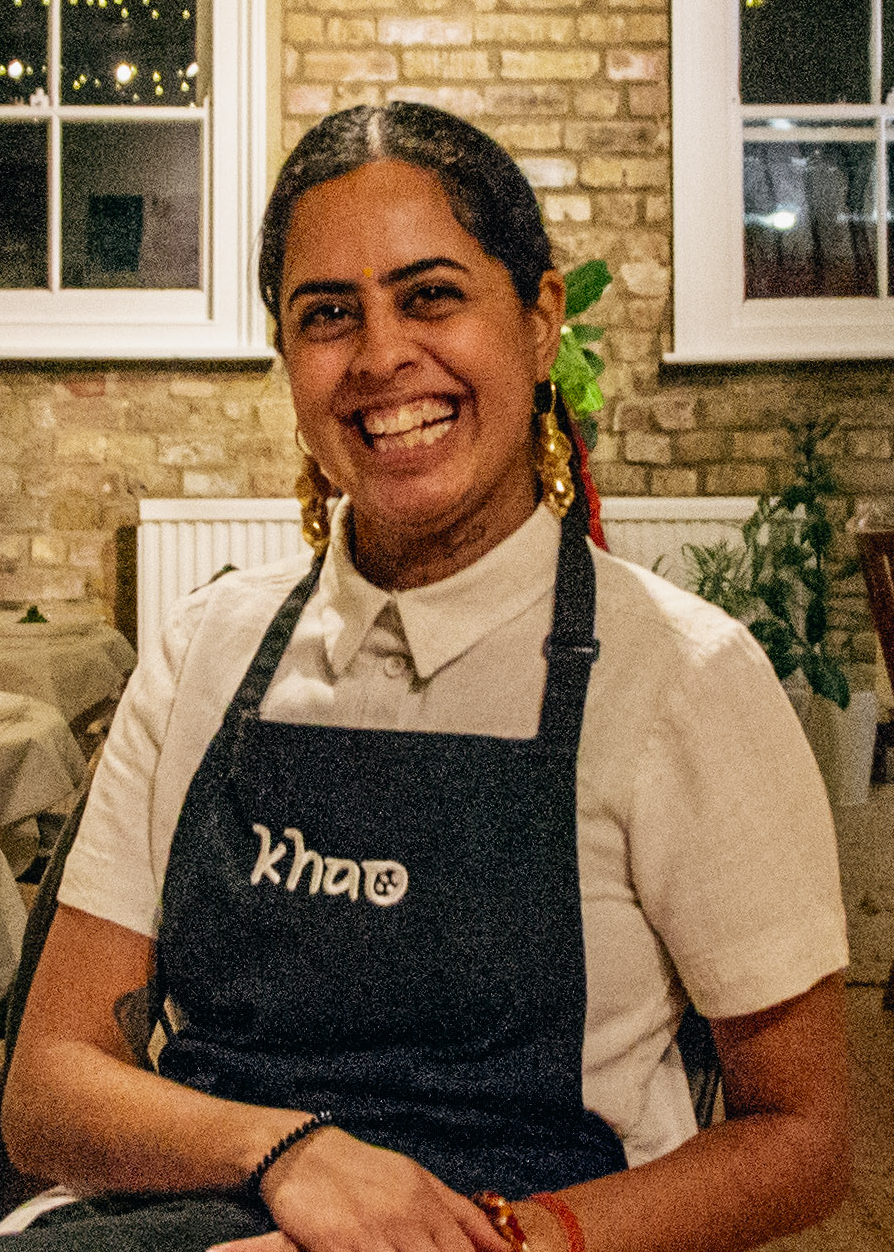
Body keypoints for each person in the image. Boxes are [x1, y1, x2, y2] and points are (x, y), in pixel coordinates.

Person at [1, 103, 850, 1252]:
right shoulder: (206, 649)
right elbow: (47, 1086)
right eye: (327, 315)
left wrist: (506, 1241)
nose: (383, 353)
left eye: (432, 294)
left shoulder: (686, 682)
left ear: (540, 321)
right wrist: (293, 1153)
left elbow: (802, 1135)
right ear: (290, 361)